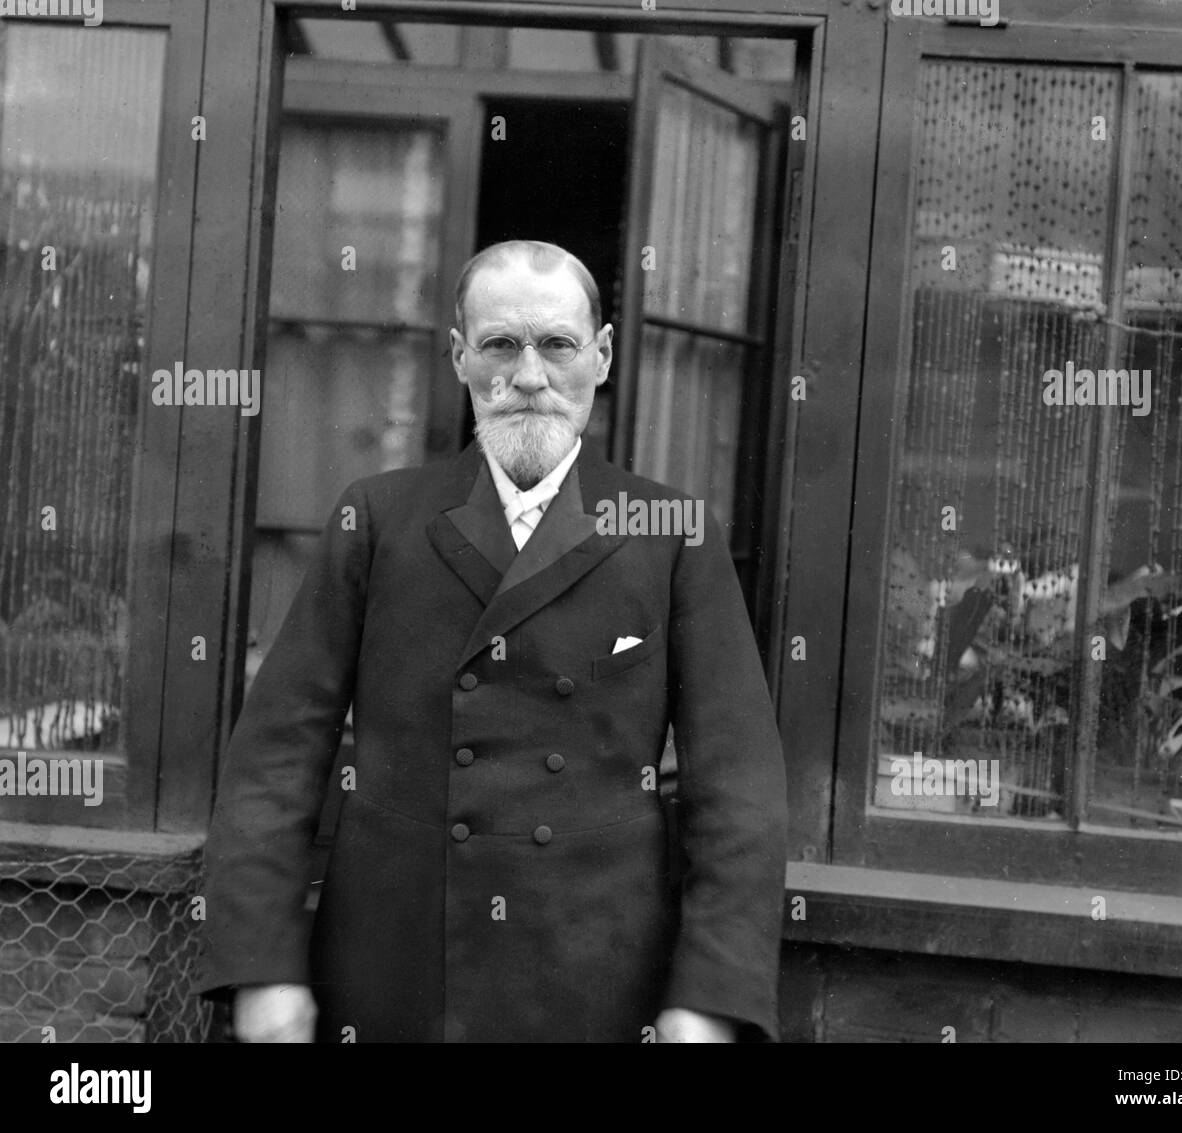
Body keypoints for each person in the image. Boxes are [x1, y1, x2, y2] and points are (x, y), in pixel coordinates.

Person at [196, 239, 788, 1043]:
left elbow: (739, 784)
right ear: (459, 356)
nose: (530, 377)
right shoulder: (378, 519)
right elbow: (275, 757)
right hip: (394, 972)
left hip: (597, 976)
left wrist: (712, 997)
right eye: (501, 344)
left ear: (603, 355)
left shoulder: (672, 533)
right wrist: (263, 967)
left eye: (557, 345)